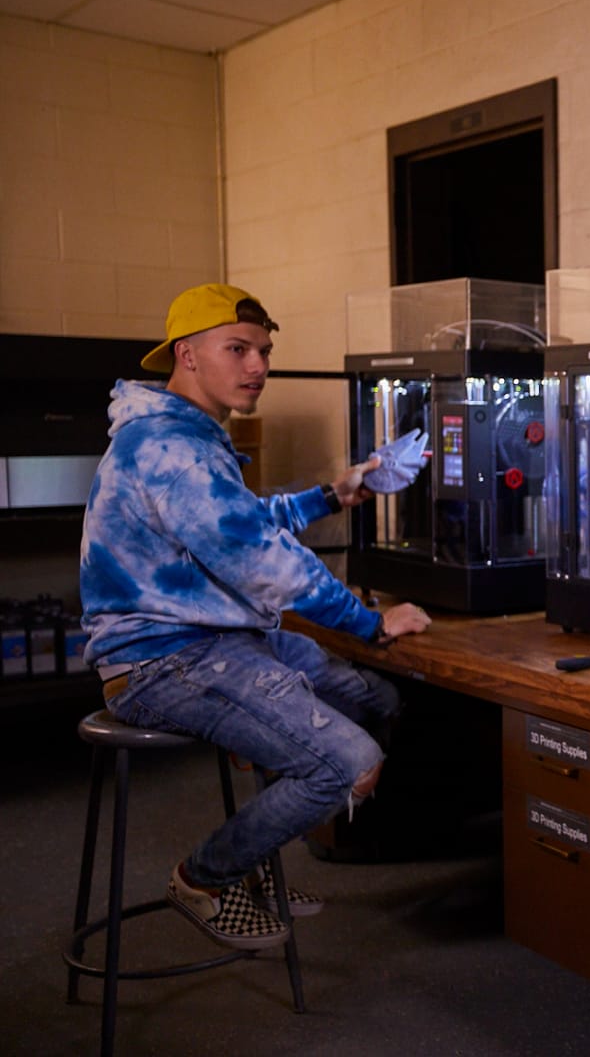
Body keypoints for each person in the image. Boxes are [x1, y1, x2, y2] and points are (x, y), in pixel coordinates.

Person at [80, 282, 432, 951]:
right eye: (237, 349)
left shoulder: (188, 437)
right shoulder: (172, 449)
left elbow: (243, 524)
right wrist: (370, 623)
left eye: (264, 351)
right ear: (187, 355)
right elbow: (257, 556)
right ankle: (205, 879)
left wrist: (333, 494)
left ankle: (257, 842)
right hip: (163, 661)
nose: (258, 368)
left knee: (374, 696)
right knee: (347, 762)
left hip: (217, 643)